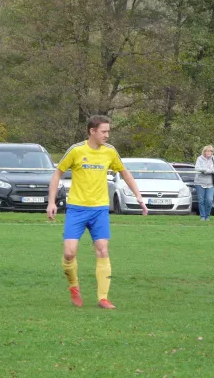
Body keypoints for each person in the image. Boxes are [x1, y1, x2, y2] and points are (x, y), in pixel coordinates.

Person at [47, 115, 148, 309]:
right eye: (103, 131)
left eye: (108, 131)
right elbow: (57, 173)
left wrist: (139, 197)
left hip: (100, 209)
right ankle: (73, 287)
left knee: (102, 248)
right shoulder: (76, 150)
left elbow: (125, 172)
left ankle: (103, 298)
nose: (107, 135)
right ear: (92, 131)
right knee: (69, 253)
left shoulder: (110, 152)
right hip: (76, 209)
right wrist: (51, 202)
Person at [194, 145, 214, 221]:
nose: (209, 152)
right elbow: (197, 168)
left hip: (211, 183)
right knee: (201, 200)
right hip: (199, 182)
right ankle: (202, 216)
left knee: (209, 200)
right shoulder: (199, 158)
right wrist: (205, 170)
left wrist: (211, 170)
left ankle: (207, 216)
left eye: (210, 151)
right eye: (207, 151)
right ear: (204, 151)